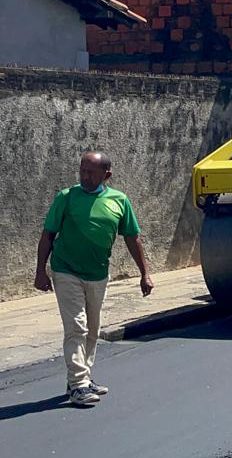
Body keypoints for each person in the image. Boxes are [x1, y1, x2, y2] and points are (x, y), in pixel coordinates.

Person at [33, 152, 154, 407]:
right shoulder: (66, 198)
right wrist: (40, 271)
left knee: (92, 329)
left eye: (91, 172)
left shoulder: (119, 201)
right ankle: (78, 385)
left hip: (98, 274)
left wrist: (145, 273)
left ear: (106, 175)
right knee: (76, 326)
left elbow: (133, 238)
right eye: (82, 171)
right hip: (66, 270)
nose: (85, 176)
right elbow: (48, 235)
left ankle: (83, 377)